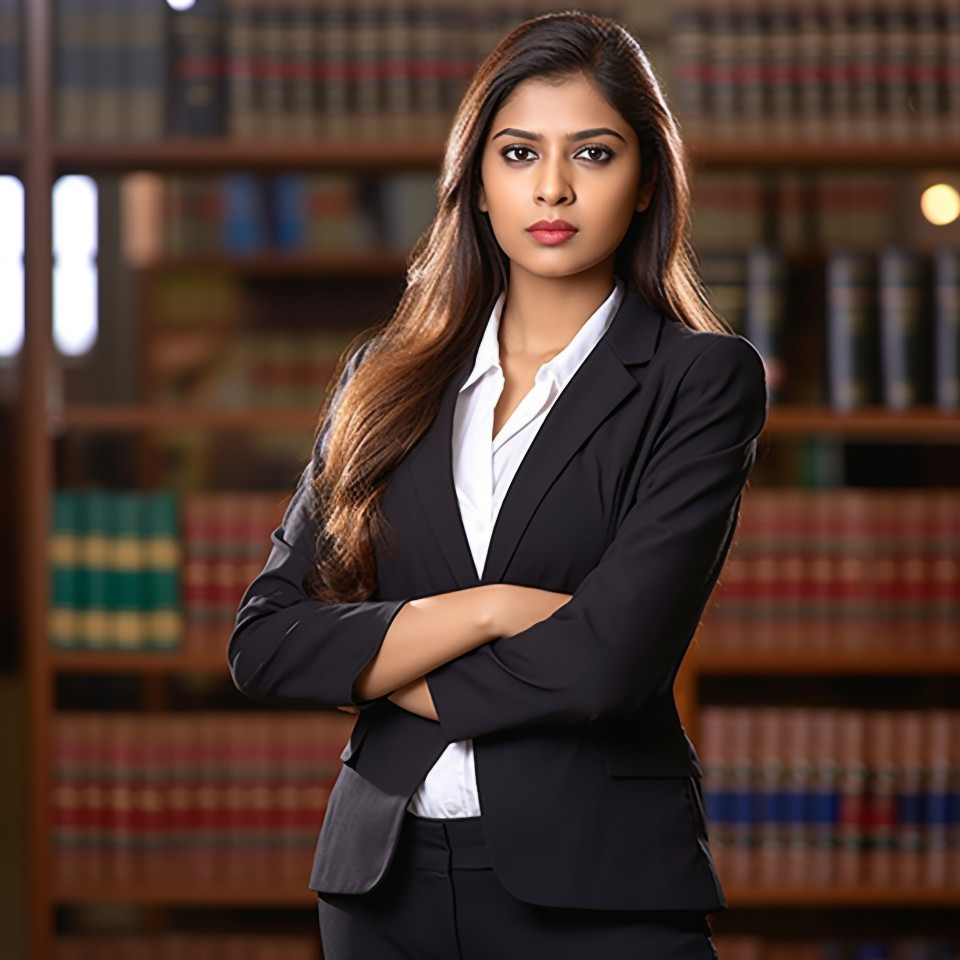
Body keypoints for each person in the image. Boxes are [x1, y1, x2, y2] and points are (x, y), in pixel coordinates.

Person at [227, 10, 767, 959]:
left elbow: (608, 663)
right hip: (379, 890)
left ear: (645, 184)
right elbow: (266, 641)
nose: (551, 187)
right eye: (519, 153)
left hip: (601, 887)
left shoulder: (702, 380)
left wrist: (384, 660)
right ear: (475, 180)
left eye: (593, 154)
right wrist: (485, 611)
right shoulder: (382, 376)